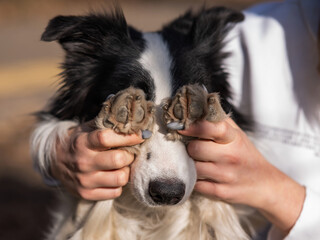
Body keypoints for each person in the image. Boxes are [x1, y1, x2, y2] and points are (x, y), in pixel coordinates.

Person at [31, 0, 320, 239]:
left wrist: (275, 192)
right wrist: (58, 152)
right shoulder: (248, 34)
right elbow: (60, 118)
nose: (168, 174)